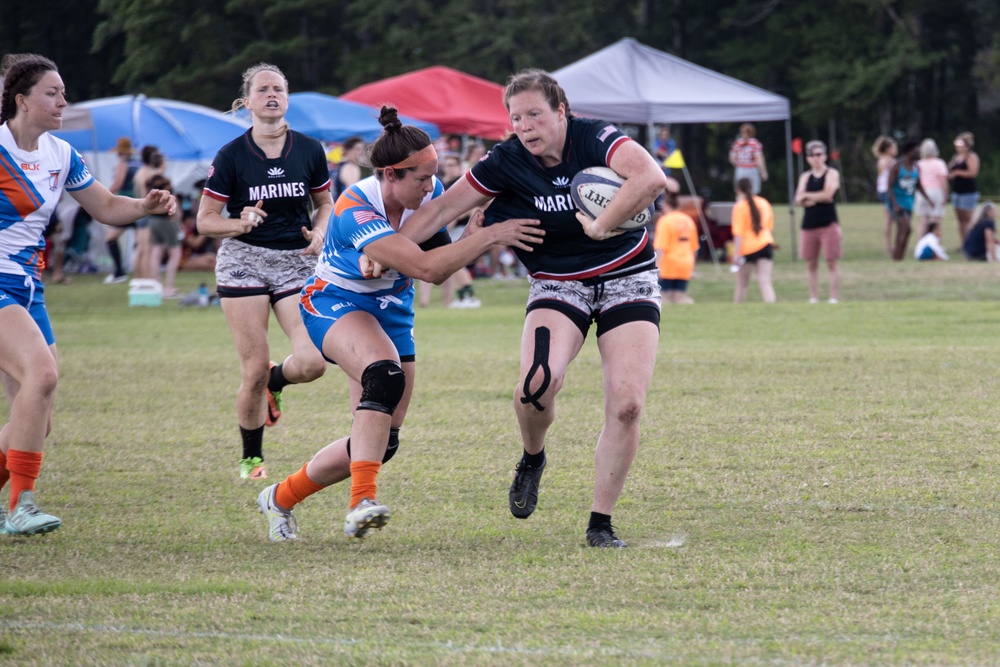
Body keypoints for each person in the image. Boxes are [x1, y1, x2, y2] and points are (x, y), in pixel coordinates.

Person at [398, 69, 668, 548]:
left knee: (627, 405)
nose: (524, 125)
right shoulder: (505, 160)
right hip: (557, 282)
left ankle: (600, 524)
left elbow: (650, 177)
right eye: (516, 117)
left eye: (534, 114)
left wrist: (603, 223)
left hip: (628, 275)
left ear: (562, 112)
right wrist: (386, 248)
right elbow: (441, 211)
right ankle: (533, 456)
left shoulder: (597, 137)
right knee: (535, 387)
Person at [255, 106, 543, 542]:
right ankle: (361, 504)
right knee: (383, 375)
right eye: (421, 179)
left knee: (380, 441)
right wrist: (488, 238)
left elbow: (439, 260)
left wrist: (469, 238)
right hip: (333, 301)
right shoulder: (356, 205)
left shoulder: (426, 195)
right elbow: (426, 270)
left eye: (433, 177)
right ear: (390, 174)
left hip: (391, 309)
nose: (431, 188)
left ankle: (279, 497)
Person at [0, 53, 177, 535]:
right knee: (43, 374)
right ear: (22, 100)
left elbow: (106, 207)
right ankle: (21, 505)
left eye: (63, 92)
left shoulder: (61, 154)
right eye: (52, 94)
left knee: (35, 418)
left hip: (29, 288)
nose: (64, 102)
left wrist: (145, 205)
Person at [197, 63, 332, 481]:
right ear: (248, 101)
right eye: (263, 89)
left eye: (279, 89)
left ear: (287, 98)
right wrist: (241, 222)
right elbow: (205, 220)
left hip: (295, 261)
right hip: (244, 261)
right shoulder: (232, 156)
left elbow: (325, 203)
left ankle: (278, 380)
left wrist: (321, 231)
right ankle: (252, 457)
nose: (272, 94)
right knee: (251, 369)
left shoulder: (309, 149)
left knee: (313, 362)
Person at [794, 140, 842, 303]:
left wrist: (809, 196)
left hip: (828, 223)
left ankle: (833, 297)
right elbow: (798, 198)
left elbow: (828, 194)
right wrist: (812, 198)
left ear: (825, 156)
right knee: (811, 263)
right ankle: (813, 297)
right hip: (809, 225)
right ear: (808, 158)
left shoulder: (832, 174)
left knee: (831, 261)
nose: (816, 158)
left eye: (819, 154)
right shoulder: (805, 177)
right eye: (813, 155)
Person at [731, 177, 776, 303]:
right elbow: (769, 226)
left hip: (747, 248)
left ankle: (737, 310)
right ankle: (771, 306)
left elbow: (738, 233)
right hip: (765, 243)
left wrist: (736, 254)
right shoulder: (764, 203)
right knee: (765, 281)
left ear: (738, 190)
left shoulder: (739, 207)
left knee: (742, 284)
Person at [101, 137, 139, 283]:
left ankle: (119, 272)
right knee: (141, 241)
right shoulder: (138, 164)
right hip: (140, 204)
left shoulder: (123, 164)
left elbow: (118, 182)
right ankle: (141, 272)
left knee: (111, 238)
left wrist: (105, 196)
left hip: (125, 205)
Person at [653, 191, 699, 304]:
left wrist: (657, 266)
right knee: (679, 296)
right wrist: (692, 267)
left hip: (669, 263)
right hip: (686, 263)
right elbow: (694, 247)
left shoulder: (665, 221)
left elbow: (661, 246)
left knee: (664, 297)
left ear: (666, 205)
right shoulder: (688, 220)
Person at [887, 140, 929, 261]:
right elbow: (889, 186)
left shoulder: (917, 167)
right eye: (916, 151)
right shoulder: (897, 167)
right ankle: (897, 258)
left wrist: (929, 199)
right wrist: (894, 204)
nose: (919, 154)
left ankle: (898, 257)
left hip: (908, 204)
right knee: (907, 228)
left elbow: (918, 185)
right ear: (909, 152)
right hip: (897, 204)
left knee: (902, 231)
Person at [145, 174, 182, 297]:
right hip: (167, 221)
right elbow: (174, 206)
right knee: (175, 253)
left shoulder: (151, 184)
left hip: (153, 220)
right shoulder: (167, 186)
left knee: (156, 252)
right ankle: (169, 288)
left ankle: (156, 285)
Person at [948, 132, 980, 244]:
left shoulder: (971, 157)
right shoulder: (956, 158)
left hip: (968, 192)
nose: (958, 148)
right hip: (957, 192)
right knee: (960, 220)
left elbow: (972, 172)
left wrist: (957, 172)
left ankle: (973, 242)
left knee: (969, 219)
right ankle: (964, 243)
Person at [914, 138, 949, 239]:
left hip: (922, 192)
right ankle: (935, 243)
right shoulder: (939, 163)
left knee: (923, 220)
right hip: (936, 191)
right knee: (936, 220)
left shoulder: (919, 164)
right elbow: (943, 180)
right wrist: (946, 194)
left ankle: (922, 242)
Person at [871, 136, 897, 255]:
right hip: (889, 191)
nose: (896, 149)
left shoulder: (880, 160)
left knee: (888, 219)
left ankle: (889, 245)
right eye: (893, 147)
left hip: (882, 190)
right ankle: (892, 246)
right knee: (892, 219)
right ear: (887, 149)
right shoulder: (890, 161)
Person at [729, 123, 767, 196]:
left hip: (741, 169)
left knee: (740, 192)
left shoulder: (737, 143)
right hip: (752, 169)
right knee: (753, 192)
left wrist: (739, 164)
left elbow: (732, 158)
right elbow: (759, 158)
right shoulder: (755, 143)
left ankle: (740, 206)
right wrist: (763, 172)